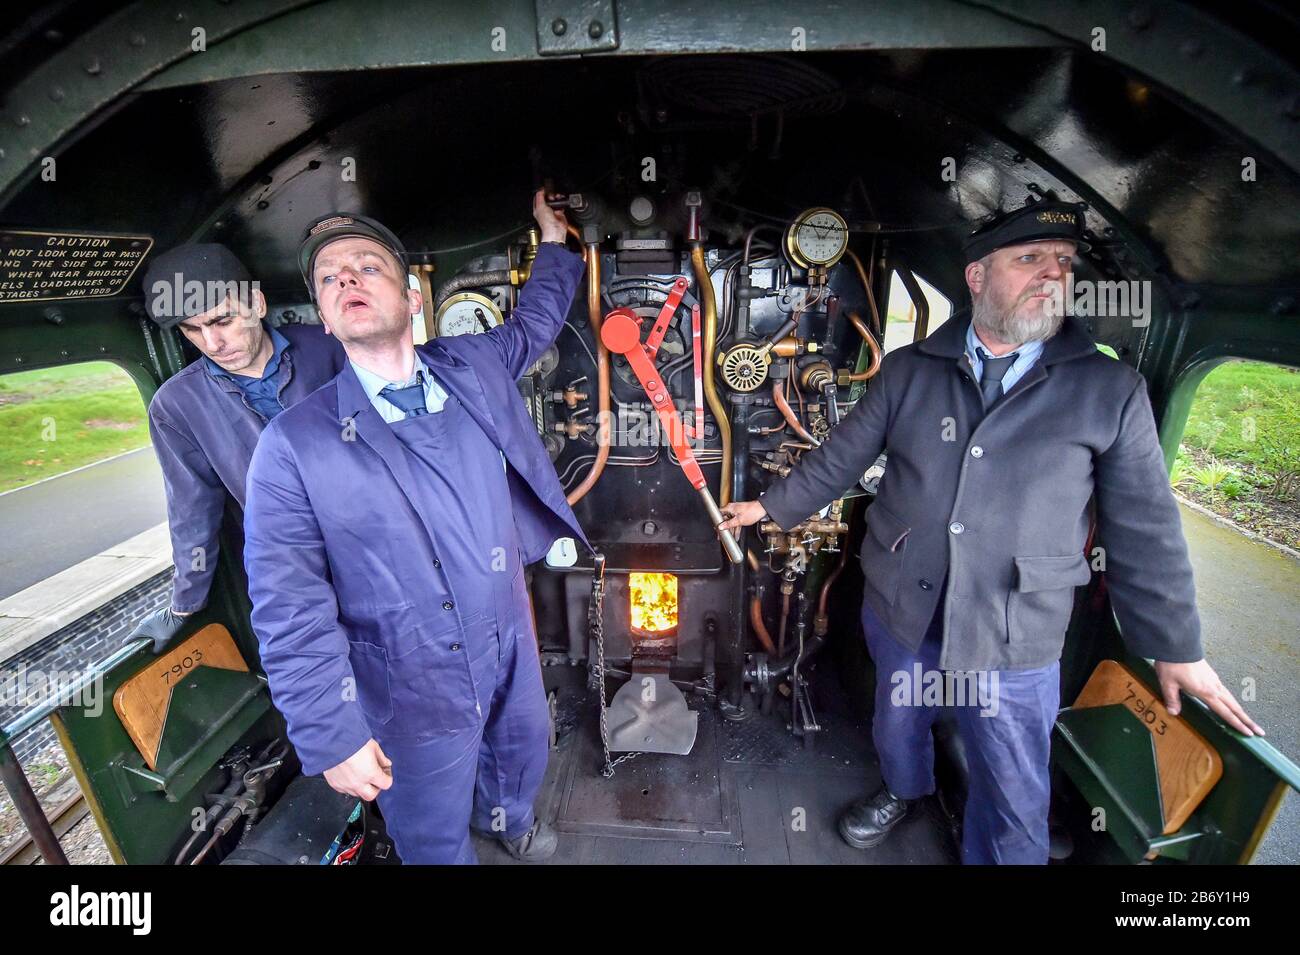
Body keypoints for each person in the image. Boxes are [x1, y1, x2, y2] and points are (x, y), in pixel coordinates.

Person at [718, 199, 1262, 864]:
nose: (1052, 274)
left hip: (1014, 626)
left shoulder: (1107, 389)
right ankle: (905, 789)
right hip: (905, 604)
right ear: (976, 277)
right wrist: (770, 508)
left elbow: (1145, 525)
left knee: (1011, 785)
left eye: (1062, 262)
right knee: (899, 724)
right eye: (1029, 258)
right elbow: (843, 456)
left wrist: (1175, 645)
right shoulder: (912, 369)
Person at [242, 191, 587, 863]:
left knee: (519, 748)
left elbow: (538, 320)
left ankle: (510, 819)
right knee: (430, 828)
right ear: (325, 316)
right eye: (330, 278)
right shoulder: (293, 447)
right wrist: (330, 732)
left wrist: (553, 238)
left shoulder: (474, 366)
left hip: (509, 636)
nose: (347, 280)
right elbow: (289, 604)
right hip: (408, 678)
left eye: (366, 266)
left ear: (412, 298)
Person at [130, 244, 345, 652]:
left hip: (377, 539)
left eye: (222, 320)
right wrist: (185, 603)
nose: (212, 342)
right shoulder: (176, 406)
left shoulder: (332, 349)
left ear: (258, 303)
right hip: (293, 571)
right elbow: (192, 506)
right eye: (192, 330)